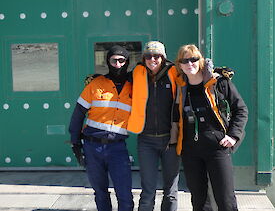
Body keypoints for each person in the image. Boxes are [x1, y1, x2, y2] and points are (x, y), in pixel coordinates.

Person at [174, 44, 248, 211]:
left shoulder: (218, 82)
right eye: (184, 60)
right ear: (179, 64)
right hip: (191, 150)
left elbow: (241, 109)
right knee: (199, 200)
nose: (189, 64)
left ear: (200, 61)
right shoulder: (179, 86)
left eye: (193, 59)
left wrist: (233, 136)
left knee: (225, 199)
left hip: (217, 148)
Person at [69, 45, 134, 211]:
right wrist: (75, 143)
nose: (118, 64)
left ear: (127, 62)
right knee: (100, 193)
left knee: (125, 195)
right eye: (114, 60)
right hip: (92, 147)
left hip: (117, 148)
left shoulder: (135, 87)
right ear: (108, 61)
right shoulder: (95, 84)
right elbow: (78, 114)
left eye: (122, 60)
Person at [127, 41, 180, 211]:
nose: (152, 59)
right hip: (146, 141)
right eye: (148, 56)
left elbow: (195, 79)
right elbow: (117, 81)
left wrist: (216, 75)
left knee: (170, 191)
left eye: (156, 56)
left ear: (163, 57)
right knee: (148, 191)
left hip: (169, 140)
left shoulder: (174, 73)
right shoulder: (137, 73)